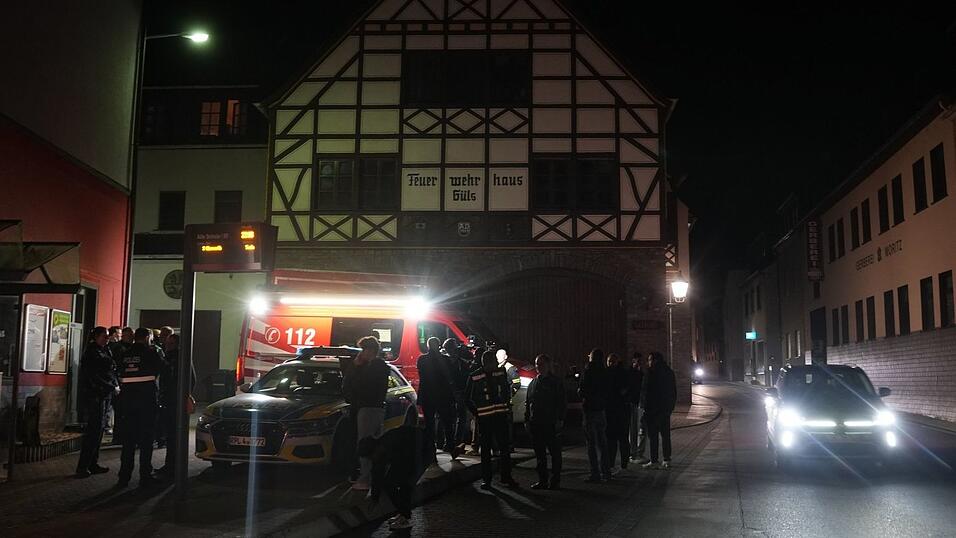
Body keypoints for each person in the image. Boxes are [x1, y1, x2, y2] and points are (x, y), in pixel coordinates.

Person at [116, 328, 167, 487]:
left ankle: (124, 477)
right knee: (146, 441)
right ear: (147, 338)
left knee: (128, 442)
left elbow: (118, 370)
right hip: (147, 402)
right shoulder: (151, 353)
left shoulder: (125, 353)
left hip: (128, 403)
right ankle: (145, 475)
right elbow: (164, 369)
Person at [359, 424, 429, 532]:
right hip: (410, 454)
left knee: (405, 484)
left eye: (370, 456)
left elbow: (406, 468)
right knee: (389, 483)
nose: (371, 459)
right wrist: (375, 498)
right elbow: (377, 475)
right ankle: (403, 513)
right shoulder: (380, 452)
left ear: (375, 448)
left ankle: (405, 518)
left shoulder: (394, 442)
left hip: (423, 451)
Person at [342, 335, 390, 491]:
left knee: (364, 443)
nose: (362, 353)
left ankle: (364, 479)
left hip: (368, 408)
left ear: (370, 350)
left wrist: (355, 367)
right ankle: (374, 476)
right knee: (374, 443)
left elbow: (358, 385)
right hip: (376, 407)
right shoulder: (381, 366)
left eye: (363, 349)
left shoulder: (373, 367)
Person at [466, 350, 518, 489]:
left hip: (500, 416)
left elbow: (506, 390)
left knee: (504, 448)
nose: (495, 364)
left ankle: (506, 477)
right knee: (486, 450)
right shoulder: (475, 376)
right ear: (485, 363)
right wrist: (477, 413)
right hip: (485, 419)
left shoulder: (500, 373)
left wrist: (506, 405)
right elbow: (468, 398)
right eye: (493, 362)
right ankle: (487, 480)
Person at [75, 327, 119, 478]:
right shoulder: (92, 353)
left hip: (105, 395)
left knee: (99, 431)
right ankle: (83, 466)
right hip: (96, 396)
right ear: (96, 337)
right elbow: (92, 376)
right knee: (93, 431)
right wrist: (111, 386)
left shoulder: (105, 350)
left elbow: (111, 370)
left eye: (107, 337)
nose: (107, 339)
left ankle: (93, 464)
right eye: (104, 337)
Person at [155, 333, 197, 477]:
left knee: (173, 436)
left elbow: (191, 379)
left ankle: (172, 467)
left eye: (171, 344)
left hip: (174, 402)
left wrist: (182, 396)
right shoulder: (170, 358)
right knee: (171, 436)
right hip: (169, 401)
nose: (168, 346)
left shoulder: (178, 358)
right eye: (168, 344)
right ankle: (171, 466)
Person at [524, 354, 566, 490]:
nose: (538, 367)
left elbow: (561, 403)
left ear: (548, 365)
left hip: (550, 423)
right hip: (537, 423)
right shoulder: (533, 383)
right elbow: (528, 403)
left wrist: (560, 419)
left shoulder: (555, 383)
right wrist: (527, 420)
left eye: (541, 364)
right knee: (540, 455)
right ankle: (543, 480)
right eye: (537, 364)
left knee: (554, 454)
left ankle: (555, 481)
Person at [417, 337, 459, 461]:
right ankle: (451, 448)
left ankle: (431, 452)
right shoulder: (445, 360)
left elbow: (422, 376)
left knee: (429, 425)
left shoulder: (422, 360)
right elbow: (451, 377)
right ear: (439, 345)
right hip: (443, 396)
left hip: (427, 396)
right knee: (447, 423)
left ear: (428, 346)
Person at [578, 348, 611, 482]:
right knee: (603, 442)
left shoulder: (588, 371)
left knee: (591, 443)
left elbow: (582, 390)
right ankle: (606, 471)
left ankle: (595, 473)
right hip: (601, 409)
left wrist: (581, 392)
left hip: (590, 410)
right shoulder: (605, 372)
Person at [642, 351, 677, 470]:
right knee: (665, 435)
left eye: (650, 360)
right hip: (664, 410)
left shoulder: (650, 373)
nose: (648, 362)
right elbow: (673, 392)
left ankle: (654, 460)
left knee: (654, 436)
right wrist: (670, 408)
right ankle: (667, 459)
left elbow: (646, 392)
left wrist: (644, 407)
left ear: (655, 360)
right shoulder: (669, 372)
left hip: (652, 410)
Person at [605, 353, 631, 473]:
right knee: (622, 439)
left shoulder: (607, 374)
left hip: (614, 411)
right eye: (609, 361)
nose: (610, 364)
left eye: (611, 362)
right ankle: (623, 463)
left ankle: (613, 463)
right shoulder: (624, 373)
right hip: (621, 410)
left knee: (614, 439)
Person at [628, 352, 649, 464]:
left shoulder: (642, 373)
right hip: (634, 403)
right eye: (637, 361)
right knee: (634, 429)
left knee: (642, 429)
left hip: (641, 403)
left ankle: (639, 453)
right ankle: (633, 453)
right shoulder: (631, 373)